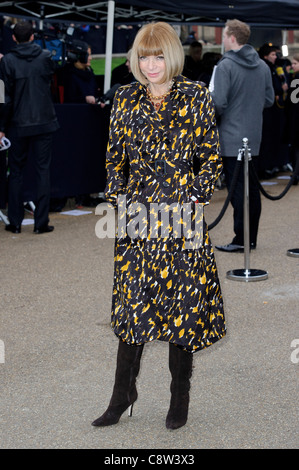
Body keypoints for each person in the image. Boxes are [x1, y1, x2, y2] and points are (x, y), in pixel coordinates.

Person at [92, 21, 226, 430]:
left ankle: (179, 396)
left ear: (172, 56)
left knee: (181, 309)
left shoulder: (196, 96)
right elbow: (115, 157)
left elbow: (211, 158)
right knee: (133, 307)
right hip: (137, 218)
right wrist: (119, 196)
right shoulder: (125, 98)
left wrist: (195, 196)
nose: (151, 65)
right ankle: (122, 394)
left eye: (158, 56)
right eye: (144, 57)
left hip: (182, 218)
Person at [210, 19, 274, 253]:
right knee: (252, 190)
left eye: (224, 35)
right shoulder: (263, 66)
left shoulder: (225, 66)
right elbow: (268, 100)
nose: (223, 39)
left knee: (237, 190)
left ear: (232, 38)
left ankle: (240, 239)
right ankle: (251, 238)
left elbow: (218, 103)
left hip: (231, 136)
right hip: (253, 136)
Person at [0, 20, 59, 234]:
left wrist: (1, 125)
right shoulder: (45, 57)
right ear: (32, 36)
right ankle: (40, 223)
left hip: (19, 124)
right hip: (42, 121)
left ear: (14, 38)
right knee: (42, 171)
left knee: (16, 172)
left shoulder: (8, 61)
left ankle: (15, 222)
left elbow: (4, 97)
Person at [258, 43, 290, 177]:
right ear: (265, 56)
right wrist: (279, 90)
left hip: (277, 108)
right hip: (268, 109)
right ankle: (265, 167)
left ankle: (275, 163)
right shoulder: (265, 68)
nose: (275, 57)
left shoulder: (276, 68)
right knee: (267, 139)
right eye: (272, 55)